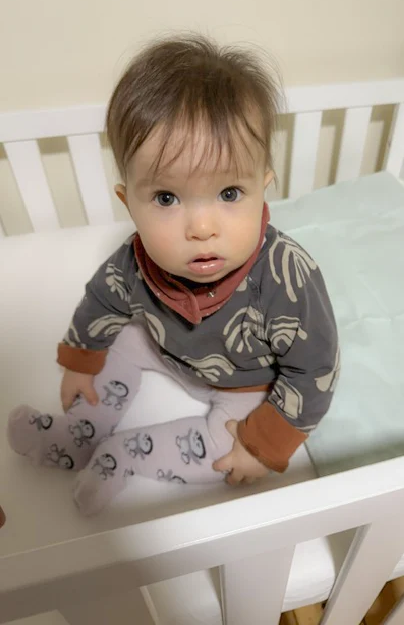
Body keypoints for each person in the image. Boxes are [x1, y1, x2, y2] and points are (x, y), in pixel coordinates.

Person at [7, 34, 339, 516]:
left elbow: (315, 368)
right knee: (123, 338)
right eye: (166, 198)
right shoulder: (135, 261)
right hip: (167, 346)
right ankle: (78, 435)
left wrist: (265, 445)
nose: (201, 228)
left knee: (229, 445)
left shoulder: (286, 276)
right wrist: (81, 360)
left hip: (246, 383)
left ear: (263, 187)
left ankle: (124, 457)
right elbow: (102, 300)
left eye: (229, 193)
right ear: (129, 203)